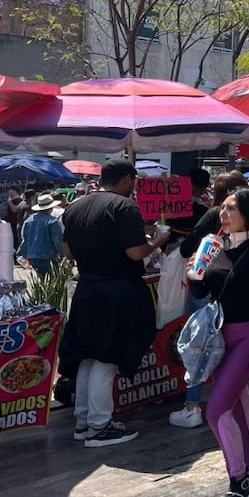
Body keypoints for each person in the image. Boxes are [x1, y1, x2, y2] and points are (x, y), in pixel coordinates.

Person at [59, 159, 172, 448]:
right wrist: (158, 241)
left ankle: (83, 423)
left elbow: (68, 252)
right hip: (116, 290)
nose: (134, 186)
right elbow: (135, 254)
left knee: (88, 356)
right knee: (106, 359)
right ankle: (99, 427)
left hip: (86, 288)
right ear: (125, 179)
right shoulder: (125, 207)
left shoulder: (75, 206)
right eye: (133, 180)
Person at [191, 187, 249, 497]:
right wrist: (196, 277)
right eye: (223, 208)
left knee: (216, 410)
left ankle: (239, 480)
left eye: (232, 209)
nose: (224, 213)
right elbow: (203, 294)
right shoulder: (216, 248)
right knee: (236, 408)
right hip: (220, 337)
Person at [169, 171, 249, 430]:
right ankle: (232, 404)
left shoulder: (214, 214)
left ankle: (193, 406)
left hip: (209, 288)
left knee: (199, 346)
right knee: (232, 351)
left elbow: (185, 248)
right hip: (237, 295)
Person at [17, 193, 64, 278]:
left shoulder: (28, 221)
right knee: (52, 280)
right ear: (51, 208)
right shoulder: (52, 221)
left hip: (33, 256)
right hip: (48, 256)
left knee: (41, 278)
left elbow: (25, 240)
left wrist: (22, 254)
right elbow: (57, 241)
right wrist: (63, 254)